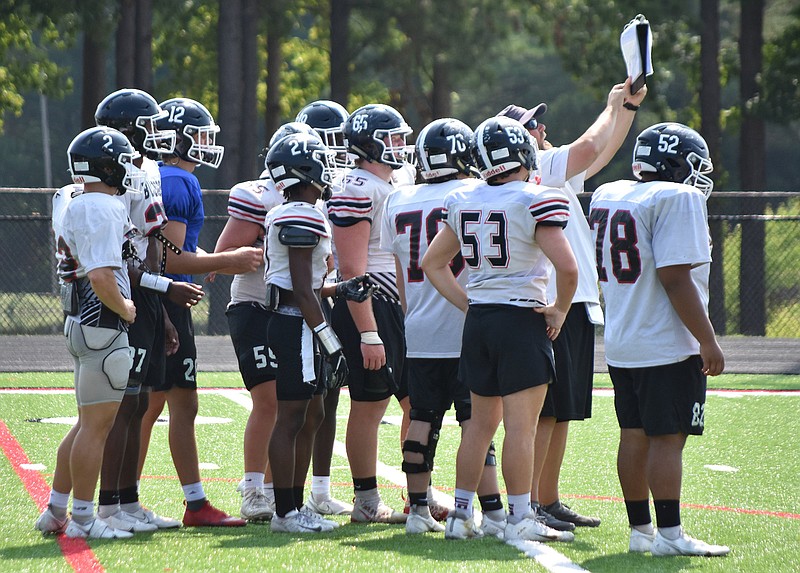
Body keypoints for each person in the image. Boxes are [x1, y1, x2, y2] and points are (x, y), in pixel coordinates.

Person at [497, 77, 647, 530]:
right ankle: (532, 503)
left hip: (574, 299)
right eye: (530, 126)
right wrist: (613, 103)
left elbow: (600, 152)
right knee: (546, 411)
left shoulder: (543, 167)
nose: (540, 129)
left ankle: (549, 498)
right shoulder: (535, 165)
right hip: (550, 300)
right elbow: (587, 146)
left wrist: (626, 111)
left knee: (562, 411)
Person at [421, 116, 577, 543]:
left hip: (481, 322)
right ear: (523, 154)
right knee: (520, 428)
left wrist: (469, 304)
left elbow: (433, 264)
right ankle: (520, 517)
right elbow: (568, 267)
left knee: (479, 426)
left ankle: (459, 515)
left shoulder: (462, 197)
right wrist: (561, 309)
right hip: (520, 320)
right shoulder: (534, 198)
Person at [589, 122, 729, 557]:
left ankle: (640, 531)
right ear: (677, 164)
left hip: (622, 338)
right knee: (668, 439)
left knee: (633, 435)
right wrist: (707, 339)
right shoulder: (678, 197)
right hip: (665, 342)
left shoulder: (609, 192)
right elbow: (674, 277)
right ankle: (670, 534)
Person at [137, 97, 262, 527]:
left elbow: (175, 250)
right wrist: (226, 261)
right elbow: (171, 262)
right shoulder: (178, 181)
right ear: (178, 138)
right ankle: (125, 499)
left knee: (171, 403)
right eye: (201, 135)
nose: (207, 143)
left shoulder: (163, 176)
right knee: (154, 406)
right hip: (164, 301)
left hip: (159, 299)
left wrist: (217, 260)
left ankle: (189, 503)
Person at [381, 118, 506, 535]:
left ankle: (417, 511)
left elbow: (402, 275)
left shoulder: (398, 199)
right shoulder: (472, 193)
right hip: (468, 324)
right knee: (478, 424)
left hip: (418, 327)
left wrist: (412, 315)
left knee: (422, 418)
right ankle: (490, 513)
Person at [93, 88, 204, 532]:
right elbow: (121, 258)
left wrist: (160, 309)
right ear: (128, 131)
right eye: (151, 126)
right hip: (117, 300)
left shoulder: (147, 173)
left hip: (146, 299)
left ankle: (126, 502)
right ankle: (99, 507)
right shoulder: (105, 186)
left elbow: (155, 245)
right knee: (117, 408)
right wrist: (160, 290)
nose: (160, 136)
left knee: (137, 404)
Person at [263, 132, 376, 533]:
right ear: (306, 171)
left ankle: (294, 505)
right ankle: (286, 512)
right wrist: (331, 342)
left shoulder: (295, 209)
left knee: (313, 412)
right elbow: (299, 288)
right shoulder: (301, 213)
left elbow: (307, 283)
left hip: (298, 319)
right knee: (293, 415)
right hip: (297, 323)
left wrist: (339, 288)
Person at [36, 126, 144, 539]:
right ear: (106, 166)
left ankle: (57, 510)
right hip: (102, 321)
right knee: (97, 426)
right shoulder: (102, 206)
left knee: (85, 423)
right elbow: (101, 274)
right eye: (122, 160)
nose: (128, 167)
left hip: (78, 319)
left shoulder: (71, 197)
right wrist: (126, 307)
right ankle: (83, 518)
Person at [326, 103, 414, 524]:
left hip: (393, 306)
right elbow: (352, 270)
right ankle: (365, 500)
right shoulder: (357, 187)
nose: (401, 146)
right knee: (370, 404)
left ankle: (420, 491)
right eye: (393, 138)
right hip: (369, 306)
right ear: (370, 144)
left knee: (417, 402)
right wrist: (369, 332)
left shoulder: (385, 183)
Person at [295, 100, 356, 515]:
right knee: (294, 404)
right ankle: (271, 490)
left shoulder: (345, 187)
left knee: (330, 398)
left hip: (328, 296)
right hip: (297, 308)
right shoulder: (286, 194)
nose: (334, 153)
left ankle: (319, 489)